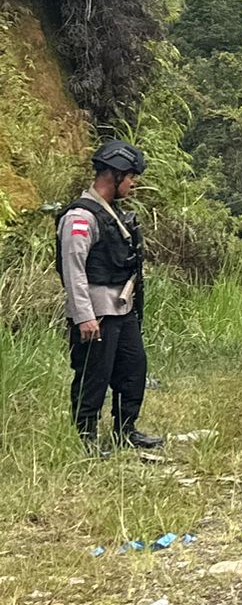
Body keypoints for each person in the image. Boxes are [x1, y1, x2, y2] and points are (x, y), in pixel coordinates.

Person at [56, 140, 164, 451]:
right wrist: (85, 317)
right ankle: (86, 439)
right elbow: (73, 269)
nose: (133, 184)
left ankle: (126, 430)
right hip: (97, 312)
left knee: (133, 370)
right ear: (114, 175)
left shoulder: (112, 214)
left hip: (122, 308)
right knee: (93, 378)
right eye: (130, 177)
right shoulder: (80, 217)